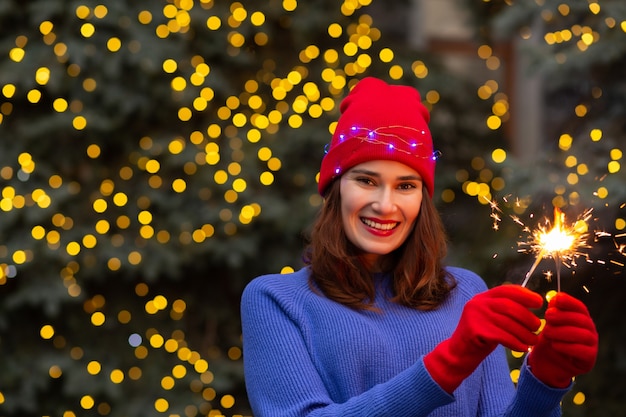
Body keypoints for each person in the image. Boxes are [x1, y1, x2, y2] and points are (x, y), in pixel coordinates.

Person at [240, 77, 598, 416]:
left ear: (422, 199)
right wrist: (450, 361)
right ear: (335, 188)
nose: (385, 204)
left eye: (406, 186)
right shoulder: (276, 300)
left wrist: (546, 381)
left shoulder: (466, 293)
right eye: (366, 180)